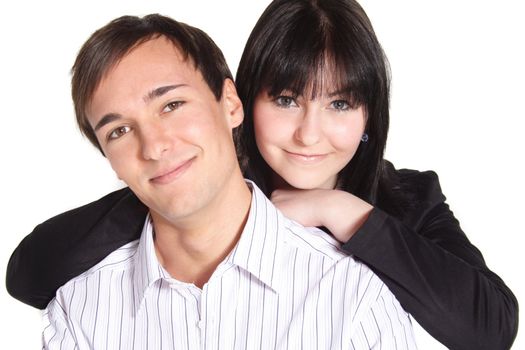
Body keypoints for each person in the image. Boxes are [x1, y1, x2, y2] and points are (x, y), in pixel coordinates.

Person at [6, 0, 518, 349]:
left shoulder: (405, 201)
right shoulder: (197, 172)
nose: (309, 135)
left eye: (340, 103)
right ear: (242, 101)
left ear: (369, 116)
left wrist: (340, 211)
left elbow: (489, 327)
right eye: (287, 99)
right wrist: (182, 190)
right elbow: (31, 273)